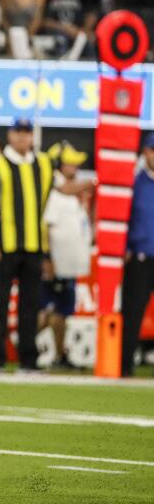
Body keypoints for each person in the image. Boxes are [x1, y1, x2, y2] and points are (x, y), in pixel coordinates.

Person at [0, 119, 53, 371]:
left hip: (34, 245)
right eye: (18, 133)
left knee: (30, 305)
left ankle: (28, 360)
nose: (22, 138)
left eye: (26, 133)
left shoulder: (43, 163)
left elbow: (62, 191)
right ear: (10, 135)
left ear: (32, 136)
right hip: (5, 244)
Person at [40, 142, 91, 369]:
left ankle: (59, 354)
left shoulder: (66, 189)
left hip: (67, 262)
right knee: (53, 310)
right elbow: (47, 226)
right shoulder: (54, 189)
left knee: (59, 310)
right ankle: (28, 351)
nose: (76, 167)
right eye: (70, 163)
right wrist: (48, 259)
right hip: (58, 262)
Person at [120, 134, 154, 377]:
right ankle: (123, 365)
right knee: (132, 313)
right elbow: (121, 218)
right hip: (140, 257)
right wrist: (124, 248)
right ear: (145, 153)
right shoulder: (133, 183)